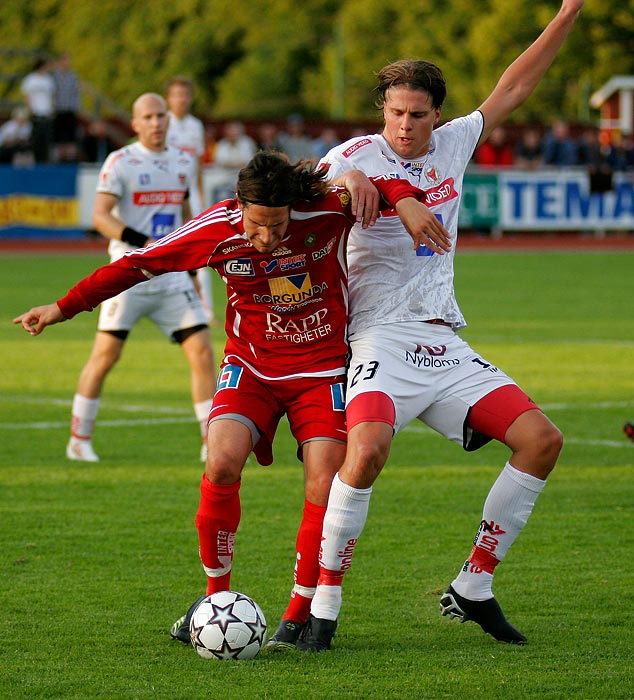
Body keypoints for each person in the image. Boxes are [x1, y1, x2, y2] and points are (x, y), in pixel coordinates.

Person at [14, 151, 447, 651]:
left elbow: (382, 180)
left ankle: (297, 614)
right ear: (239, 206)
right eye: (259, 226)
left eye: (279, 224)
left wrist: (407, 200)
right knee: (220, 462)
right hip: (252, 367)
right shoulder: (214, 229)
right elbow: (136, 264)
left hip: (321, 368)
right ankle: (212, 602)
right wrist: (63, 308)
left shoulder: (328, 206)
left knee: (324, 481)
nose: (268, 236)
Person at [297, 0, 584, 652]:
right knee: (364, 454)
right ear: (382, 111)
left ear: (436, 115)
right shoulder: (355, 153)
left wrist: (568, 11)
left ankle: (474, 586)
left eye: (417, 115)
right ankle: (325, 602)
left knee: (542, 441)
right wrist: (341, 176)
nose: (403, 126)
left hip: (442, 340)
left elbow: (516, 84)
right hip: (374, 336)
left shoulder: (455, 142)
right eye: (394, 112)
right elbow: (296, 189)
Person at [60, 92, 216, 463]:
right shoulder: (121, 161)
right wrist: (142, 243)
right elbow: (100, 217)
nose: (156, 122)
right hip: (129, 275)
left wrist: (192, 268)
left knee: (203, 353)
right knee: (105, 356)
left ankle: (212, 441)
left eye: (161, 116)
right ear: (134, 124)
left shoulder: (182, 161)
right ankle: (78, 438)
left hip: (173, 278)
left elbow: (187, 218)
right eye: (147, 117)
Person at [165, 76, 217, 325]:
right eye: (176, 94)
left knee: (201, 248)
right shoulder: (162, 123)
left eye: (185, 95)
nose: (181, 99)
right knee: (161, 246)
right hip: (168, 194)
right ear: (169, 98)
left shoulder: (195, 126)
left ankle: (205, 310)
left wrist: (200, 196)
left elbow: (197, 166)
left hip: (191, 195)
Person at [20, 57, 55, 163]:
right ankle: (36, 161)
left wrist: (52, 110)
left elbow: (52, 96)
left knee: (46, 141)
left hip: (46, 114)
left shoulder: (49, 80)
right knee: (36, 141)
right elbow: (26, 97)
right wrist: (30, 110)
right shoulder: (30, 79)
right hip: (36, 114)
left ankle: (45, 162)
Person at [51, 53, 81, 162]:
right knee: (58, 138)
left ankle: (70, 159)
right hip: (58, 110)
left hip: (70, 110)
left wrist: (76, 107)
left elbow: (76, 93)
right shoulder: (54, 76)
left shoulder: (73, 76)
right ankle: (58, 160)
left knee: (71, 137)